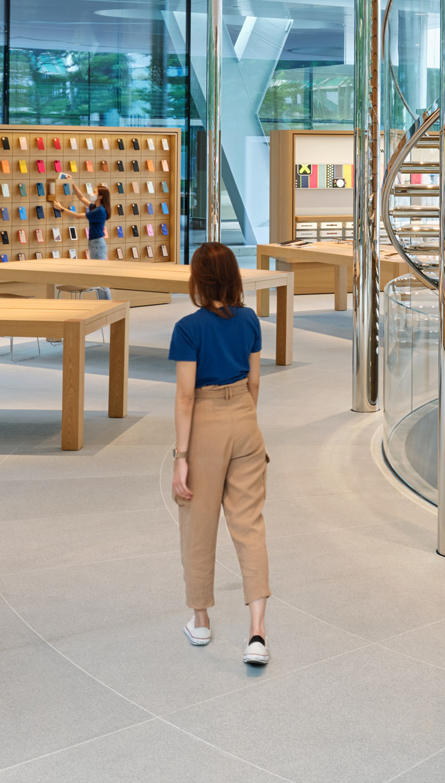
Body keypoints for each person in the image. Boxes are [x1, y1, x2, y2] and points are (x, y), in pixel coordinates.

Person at [170, 242, 271, 666]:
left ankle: (201, 620)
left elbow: (185, 396)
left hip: (207, 422)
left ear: (197, 280)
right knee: (250, 526)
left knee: (198, 522)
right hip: (246, 422)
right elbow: (254, 383)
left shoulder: (188, 328)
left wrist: (181, 455)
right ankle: (257, 633)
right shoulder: (250, 320)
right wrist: (243, 420)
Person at [56, 178, 111, 299]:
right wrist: (73, 184)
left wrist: (61, 208)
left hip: (97, 244)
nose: (92, 193)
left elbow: (77, 216)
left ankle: (107, 304)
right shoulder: (95, 208)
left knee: (101, 277)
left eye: (95, 192)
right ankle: (103, 303)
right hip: (94, 243)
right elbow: (82, 198)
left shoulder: (100, 211)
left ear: (100, 197)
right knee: (99, 276)